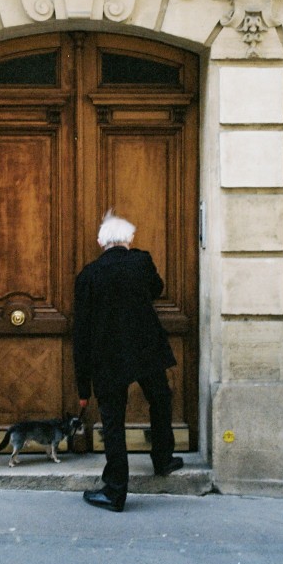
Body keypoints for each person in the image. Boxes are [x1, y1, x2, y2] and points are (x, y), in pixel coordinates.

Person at [73, 210, 183, 512]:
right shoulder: (141, 262)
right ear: (129, 240)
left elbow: (80, 331)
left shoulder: (88, 276)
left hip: (106, 357)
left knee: (112, 421)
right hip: (145, 349)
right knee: (160, 399)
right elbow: (156, 289)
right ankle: (162, 458)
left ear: (100, 241)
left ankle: (115, 491)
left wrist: (83, 387)